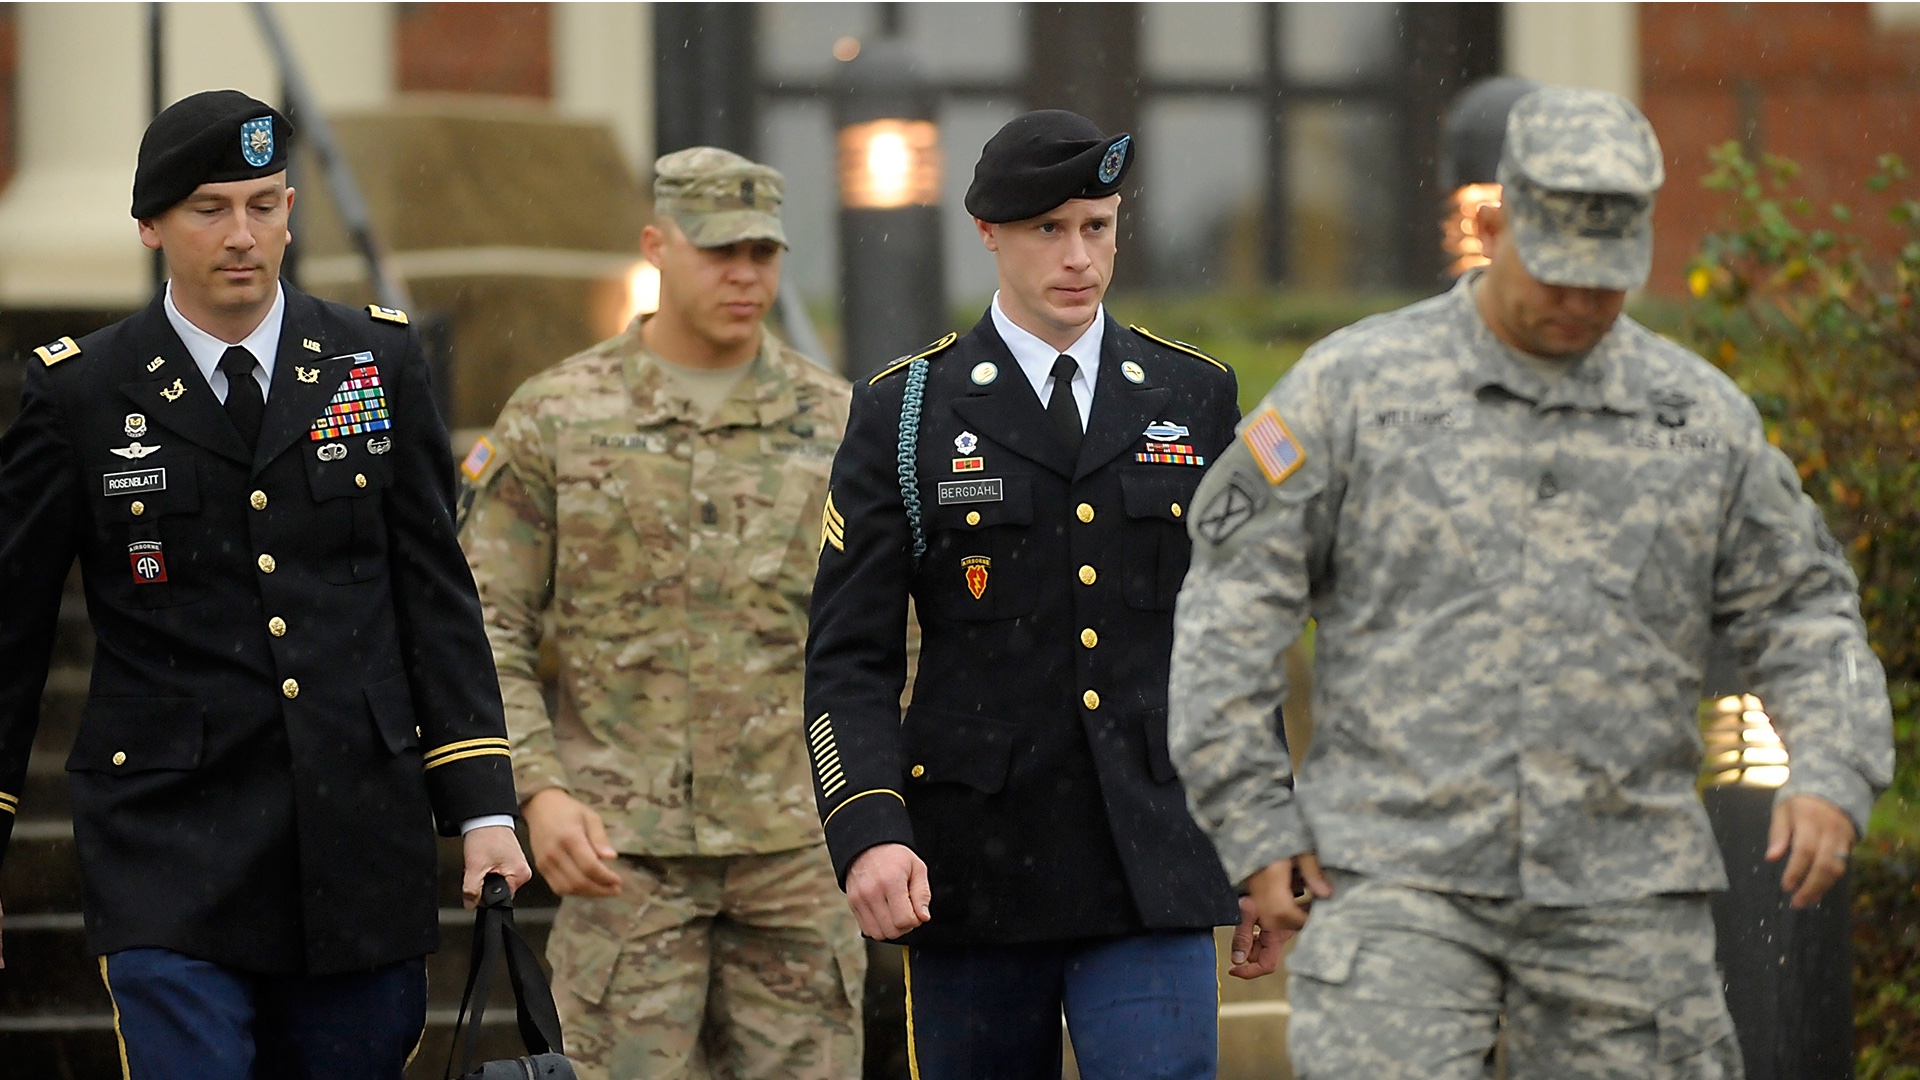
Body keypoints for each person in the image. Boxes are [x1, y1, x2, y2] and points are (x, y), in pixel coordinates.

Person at [1168, 85, 1895, 1080]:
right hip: (1398, 881)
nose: (1579, 303)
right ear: (1496, 227)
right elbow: (1228, 609)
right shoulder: (1354, 392)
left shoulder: (1698, 421)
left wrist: (1833, 766)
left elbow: (1803, 607)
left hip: (1623, 892)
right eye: (1557, 274)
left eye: (1606, 282)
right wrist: (1253, 819)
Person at [0, 90, 529, 1078]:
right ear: (150, 225)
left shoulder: (376, 361)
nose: (242, 236)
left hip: (353, 836)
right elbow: (12, 635)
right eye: (209, 209)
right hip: (169, 846)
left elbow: (434, 597)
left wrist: (483, 806)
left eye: (265, 205)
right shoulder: (82, 392)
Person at [804, 110, 1246, 1080]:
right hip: (975, 867)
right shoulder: (907, 410)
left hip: (1150, 860)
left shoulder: (1192, 396)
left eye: (1098, 226)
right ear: (989, 233)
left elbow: (1235, 640)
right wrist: (869, 829)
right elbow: (849, 658)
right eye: (1049, 229)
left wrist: (1264, 835)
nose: (1079, 257)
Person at [459, 146, 863, 1080]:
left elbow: (895, 636)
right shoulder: (559, 416)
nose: (744, 275)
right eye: (719, 251)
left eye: (763, 253)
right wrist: (538, 791)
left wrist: (870, 802)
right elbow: (484, 627)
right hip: (620, 861)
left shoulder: (839, 423)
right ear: (656, 246)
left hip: (796, 855)